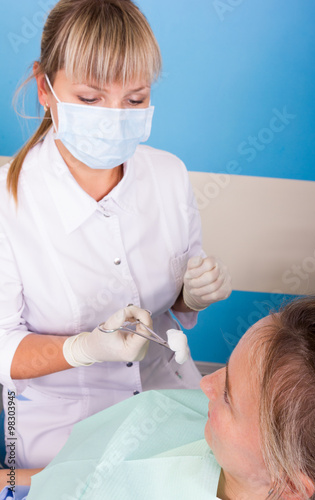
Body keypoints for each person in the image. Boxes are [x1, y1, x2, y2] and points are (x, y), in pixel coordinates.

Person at [0, 0, 232, 470]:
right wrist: (82, 348)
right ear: (44, 87)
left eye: (135, 99)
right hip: (58, 426)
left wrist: (194, 297)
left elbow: (178, 306)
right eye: (89, 98)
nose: (114, 115)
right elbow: (3, 347)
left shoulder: (168, 175)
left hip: (169, 400)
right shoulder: (9, 204)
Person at [2, 295, 315, 499]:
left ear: (290, 484)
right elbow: (94, 469)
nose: (206, 385)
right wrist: (13, 482)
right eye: (226, 371)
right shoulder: (189, 416)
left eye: (229, 397)